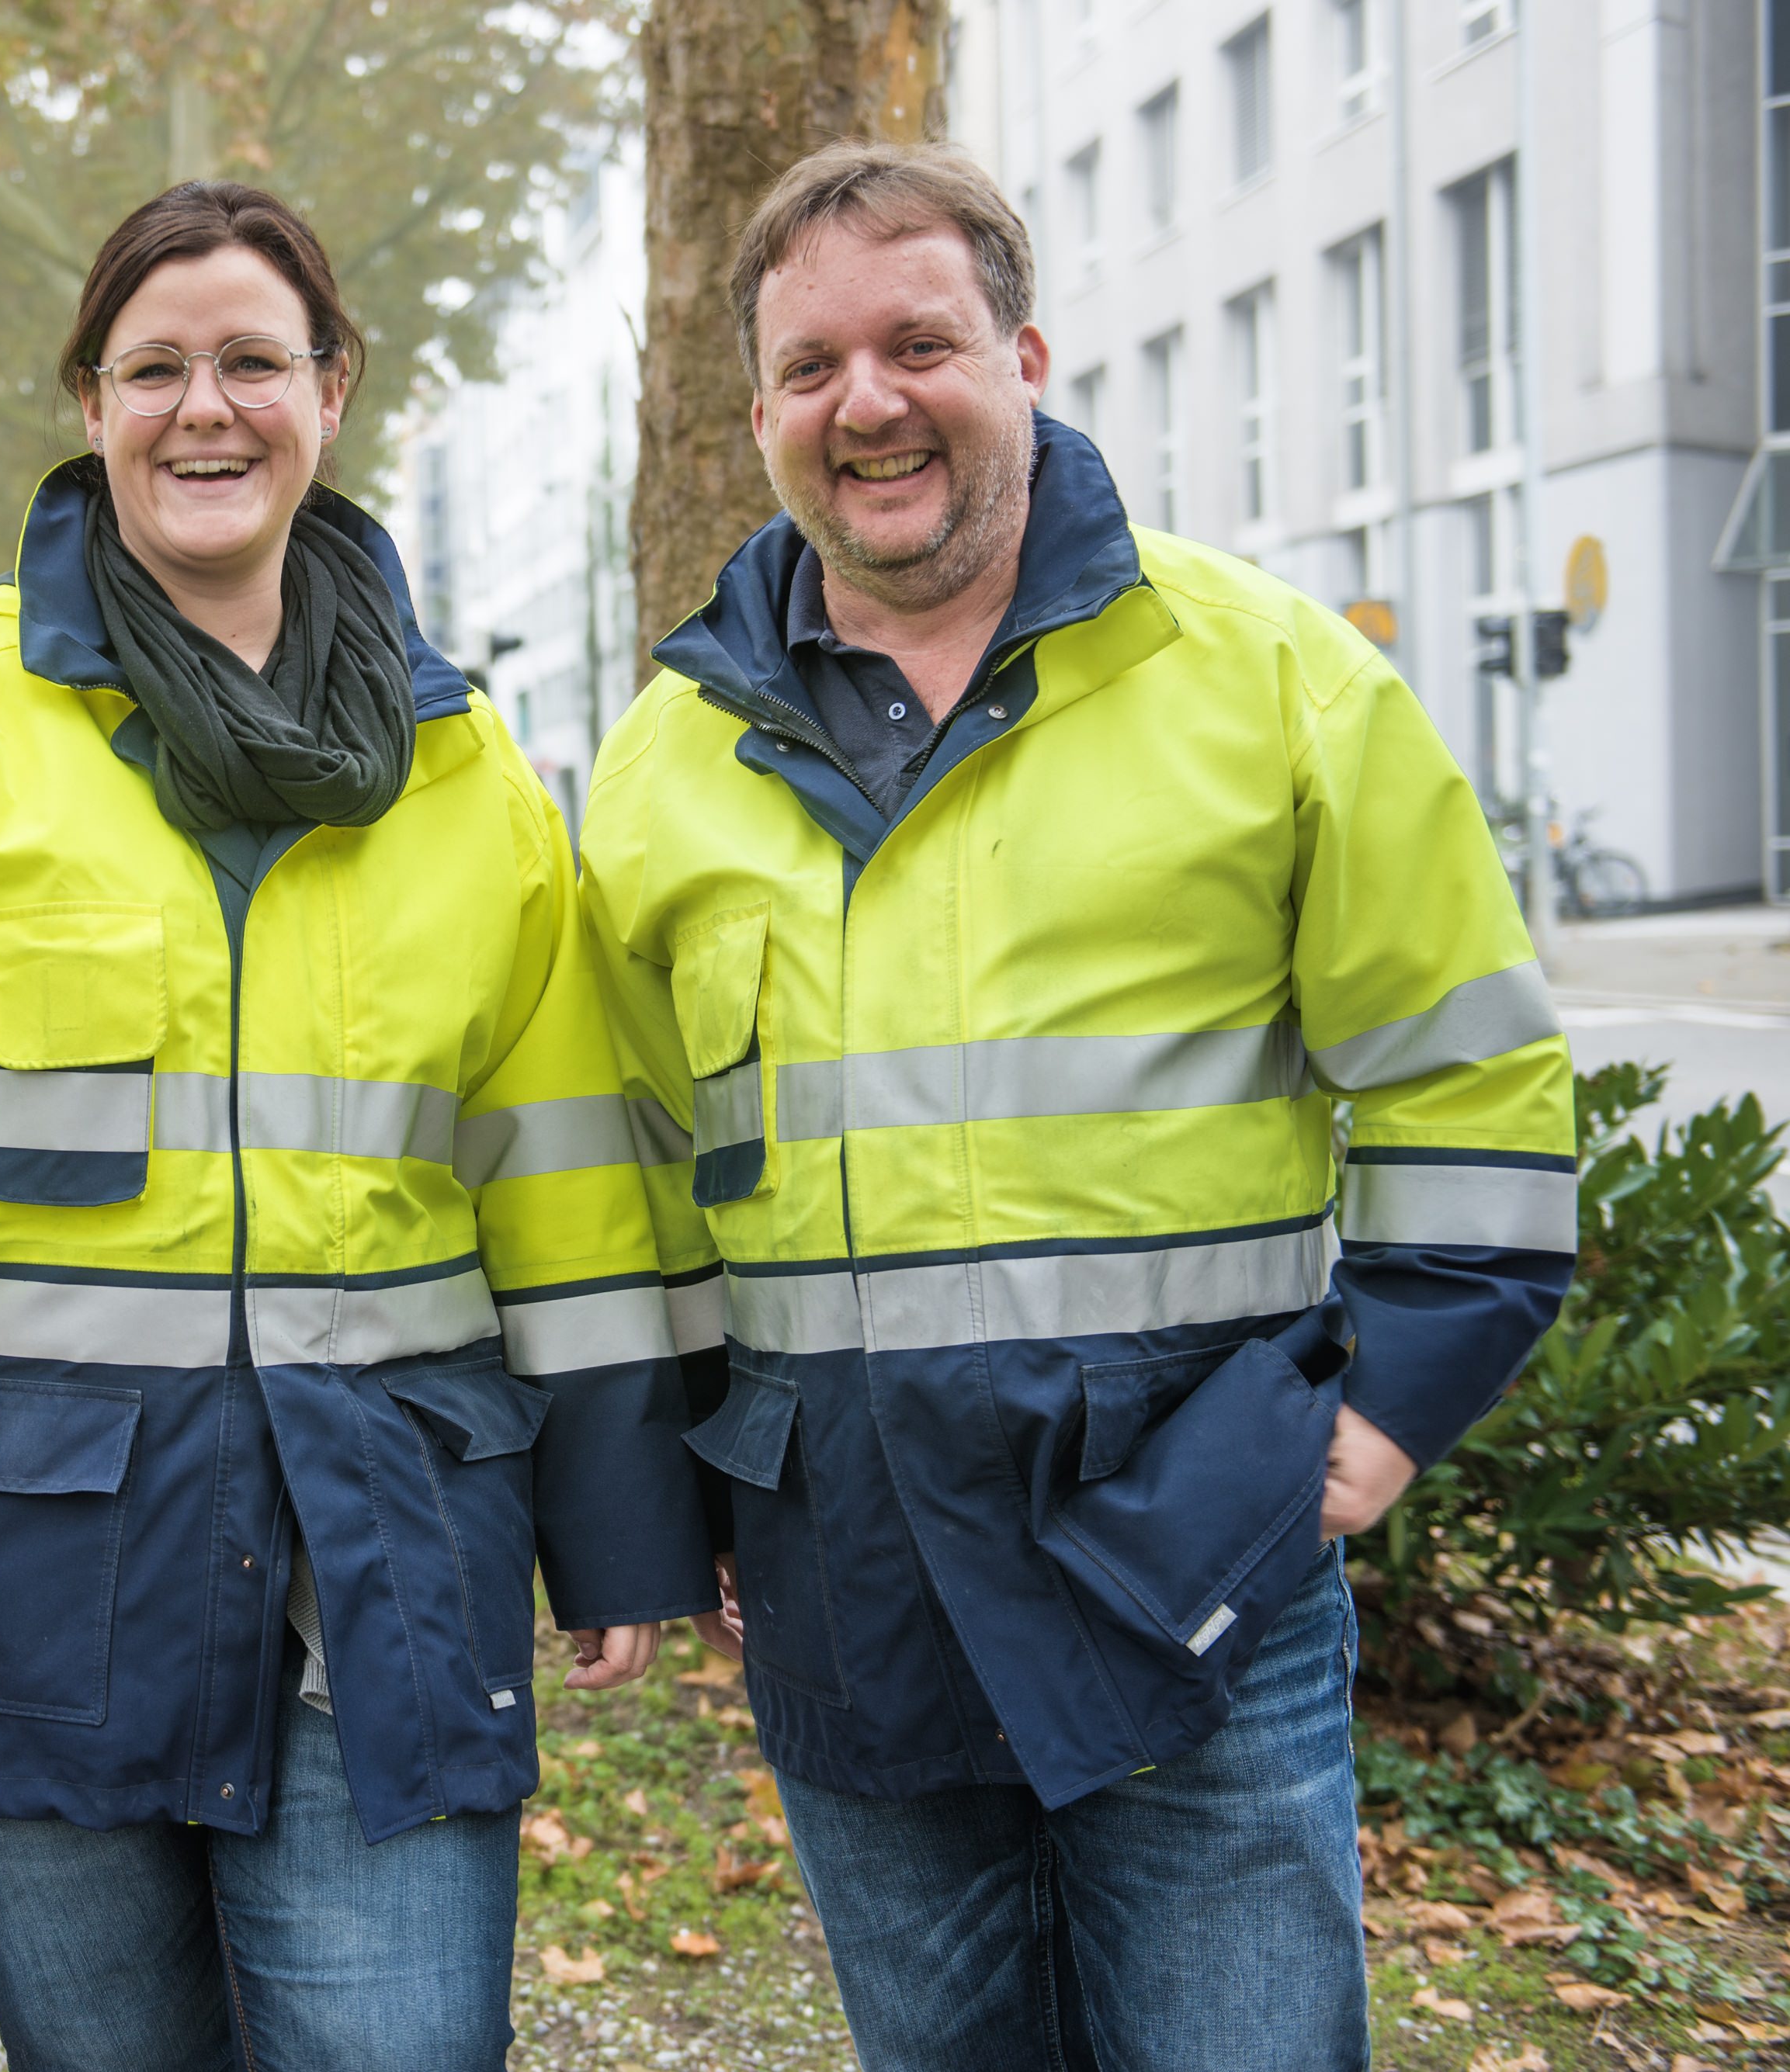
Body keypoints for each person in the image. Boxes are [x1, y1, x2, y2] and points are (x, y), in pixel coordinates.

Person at [580, 141, 1574, 2071]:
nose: (862, 404)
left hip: (1187, 1558)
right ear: (760, 411)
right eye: (807, 368)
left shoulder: (1267, 677)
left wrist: (1371, 1427)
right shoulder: (662, 759)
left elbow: (1463, 1070)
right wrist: (668, 1479)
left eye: (917, 343)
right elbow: (623, 1172)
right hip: (845, 1581)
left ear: (1023, 357)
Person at [0, 181, 713, 2072]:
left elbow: (558, 1168)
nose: (205, 409)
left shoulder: (458, 763)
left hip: (383, 1571)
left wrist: (624, 1520)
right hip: (31, 1577)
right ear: (86, 402)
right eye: (151, 366)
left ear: (331, 391)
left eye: (252, 360)